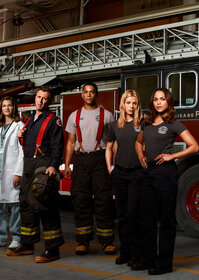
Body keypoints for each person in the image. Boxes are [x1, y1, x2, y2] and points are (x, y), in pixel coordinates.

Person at [135, 88, 199, 275]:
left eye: (162, 99)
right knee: (146, 218)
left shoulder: (173, 123)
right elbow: (139, 142)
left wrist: (173, 156)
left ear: (168, 102)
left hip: (165, 173)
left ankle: (164, 264)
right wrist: (141, 156)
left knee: (166, 220)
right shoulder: (145, 123)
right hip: (149, 171)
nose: (158, 102)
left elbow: (195, 146)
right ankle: (147, 259)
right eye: (155, 99)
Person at [7, 86, 64, 263]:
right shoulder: (30, 120)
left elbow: (57, 146)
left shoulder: (53, 120)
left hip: (44, 164)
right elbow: (27, 144)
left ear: (50, 101)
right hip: (28, 164)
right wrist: (20, 136)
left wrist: (54, 166)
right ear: (35, 98)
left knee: (45, 204)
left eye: (45, 98)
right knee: (25, 204)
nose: (41, 101)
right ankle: (27, 244)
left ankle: (52, 249)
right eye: (39, 97)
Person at [64, 82, 116, 255]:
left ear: (96, 94)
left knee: (104, 201)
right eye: (85, 92)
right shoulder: (74, 116)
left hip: (100, 160)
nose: (88, 95)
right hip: (80, 161)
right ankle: (83, 241)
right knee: (80, 201)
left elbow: (112, 142)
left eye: (92, 92)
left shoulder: (107, 116)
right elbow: (70, 142)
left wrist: (112, 165)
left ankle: (107, 242)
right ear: (82, 95)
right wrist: (67, 164)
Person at [106, 89, 143, 266]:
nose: (131, 106)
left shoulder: (143, 124)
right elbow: (108, 148)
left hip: (137, 174)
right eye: (128, 102)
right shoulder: (115, 125)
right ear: (123, 104)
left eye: (134, 103)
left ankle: (137, 254)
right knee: (122, 216)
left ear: (137, 105)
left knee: (133, 214)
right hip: (119, 174)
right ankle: (125, 252)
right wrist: (109, 168)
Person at [0, 97, 23, 249]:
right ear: (1, 109)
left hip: (11, 171)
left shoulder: (19, 126)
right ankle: (1, 237)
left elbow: (22, 151)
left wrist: (18, 173)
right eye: (4, 106)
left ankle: (16, 237)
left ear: (14, 108)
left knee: (15, 205)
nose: (7, 108)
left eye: (10, 105)